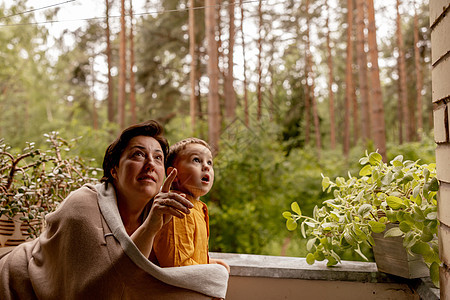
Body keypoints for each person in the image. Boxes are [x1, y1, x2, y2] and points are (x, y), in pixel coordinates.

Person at [0, 120, 228, 299]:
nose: (150, 163)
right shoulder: (82, 207)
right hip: (13, 286)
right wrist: (151, 226)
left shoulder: (163, 212)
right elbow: (95, 292)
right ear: (114, 169)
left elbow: (147, 273)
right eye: (138, 154)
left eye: (158, 157)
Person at [152, 138, 230, 272]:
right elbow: (176, 264)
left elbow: (190, 256)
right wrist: (212, 271)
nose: (206, 166)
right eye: (196, 160)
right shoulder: (177, 207)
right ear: (173, 174)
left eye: (209, 162)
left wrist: (210, 263)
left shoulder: (197, 207)